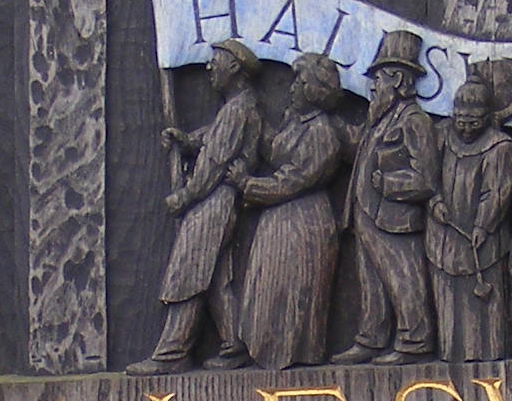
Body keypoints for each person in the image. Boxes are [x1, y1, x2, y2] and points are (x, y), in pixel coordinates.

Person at [128, 37, 262, 373]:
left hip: (212, 203)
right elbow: (212, 138)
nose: (209, 68)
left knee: (188, 271)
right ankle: (235, 342)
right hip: (220, 202)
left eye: (216, 61)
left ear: (234, 66)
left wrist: (184, 196)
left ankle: (172, 352)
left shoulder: (237, 111)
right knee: (215, 277)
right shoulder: (237, 109)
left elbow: (215, 163)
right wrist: (187, 140)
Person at [231, 52, 352, 368]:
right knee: (267, 288)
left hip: (303, 221)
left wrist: (247, 184)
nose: (293, 87)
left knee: (294, 293)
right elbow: (277, 151)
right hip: (278, 219)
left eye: (300, 80)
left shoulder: (322, 132)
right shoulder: (295, 120)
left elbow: (294, 180)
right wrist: (255, 126)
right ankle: (261, 351)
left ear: (315, 88)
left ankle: (291, 358)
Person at [331, 28, 438, 365]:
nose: (374, 85)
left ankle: (414, 340)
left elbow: (427, 179)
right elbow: (357, 151)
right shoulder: (377, 119)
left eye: (379, 77)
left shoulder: (415, 121)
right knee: (371, 281)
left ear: (399, 80)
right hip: (366, 215)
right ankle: (371, 338)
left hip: (395, 218)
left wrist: (389, 183)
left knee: (404, 279)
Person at [426, 57, 512, 362]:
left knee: (484, 301)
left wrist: (483, 225)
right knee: (447, 296)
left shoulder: (500, 146)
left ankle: (488, 354)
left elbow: (498, 191)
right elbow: (428, 174)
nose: (465, 128)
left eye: (473, 122)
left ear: (486, 118)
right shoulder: (441, 136)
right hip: (445, 235)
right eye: (460, 120)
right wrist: (435, 201)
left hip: (484, 237)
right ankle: (451, 353)